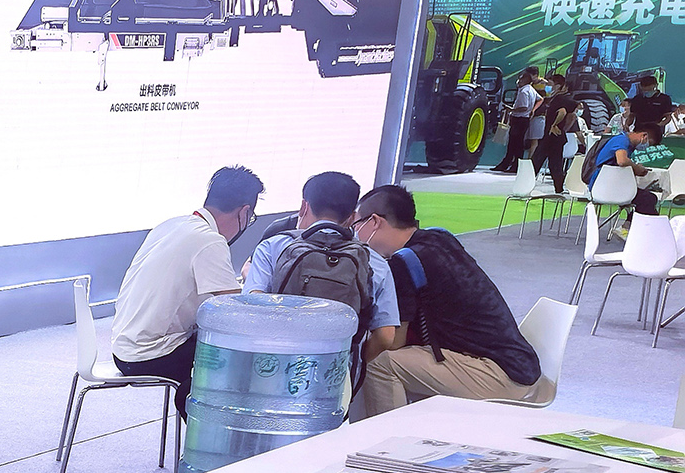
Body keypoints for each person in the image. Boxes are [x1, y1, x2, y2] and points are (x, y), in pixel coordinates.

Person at [352, 185, 541, 415]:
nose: (356, 233)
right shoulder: (439, 238)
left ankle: (388, 435)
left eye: (357, 225)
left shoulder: (404, 262)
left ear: (374, 222)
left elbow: (393, 341)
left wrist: (357, 357)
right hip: (520, 365)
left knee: (380, 364)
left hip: (498, 375)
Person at [110, 165, 262, 414]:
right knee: (242, 361)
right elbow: (236, 315)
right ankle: (207, 433)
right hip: (153, 354)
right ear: (244, 212)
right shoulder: (210, 241)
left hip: (123, 349)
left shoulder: (170, 225)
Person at [243, 170, 401, 367]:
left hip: (276, 363)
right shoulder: (373, 261)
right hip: (334, 369)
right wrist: (353, 362)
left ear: (304, 206)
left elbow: (253, 306)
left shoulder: (274, 246)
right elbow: (386, 336)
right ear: (352, 217)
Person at [585, 120, 663, 215]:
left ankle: (630, 222)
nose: (646, 147)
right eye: (649, 143)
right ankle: (635, 222)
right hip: (604, 186)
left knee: (646, 198)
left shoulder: (626, 144)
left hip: (608, 185)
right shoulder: (622, 140)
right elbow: (622, 161)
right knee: (647, 199)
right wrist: (637, 168)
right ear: (644, 136)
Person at [533, 72, 585, 194]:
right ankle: (558, 189)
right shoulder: (556, 98)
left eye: (550, 84)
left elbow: (567, 113)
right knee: (553, 164)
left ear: (558, 86)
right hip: (553, 137)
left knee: (539, 161)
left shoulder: (563, 99)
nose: (548, 87)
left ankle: (528, 184)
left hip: (553, 137)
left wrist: (557, 126)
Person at [492, 66, 541, 174]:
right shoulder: (531, 89)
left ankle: (513, 165)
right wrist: (532, 110)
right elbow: (540, 99)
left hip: (519, 119)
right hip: (524, 119)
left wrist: (511, 109)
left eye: (521, 78)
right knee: (517, 143)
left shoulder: (524, 91)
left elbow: (524, 107)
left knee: (514, 143)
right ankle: (510, 164)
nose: (518, 81)